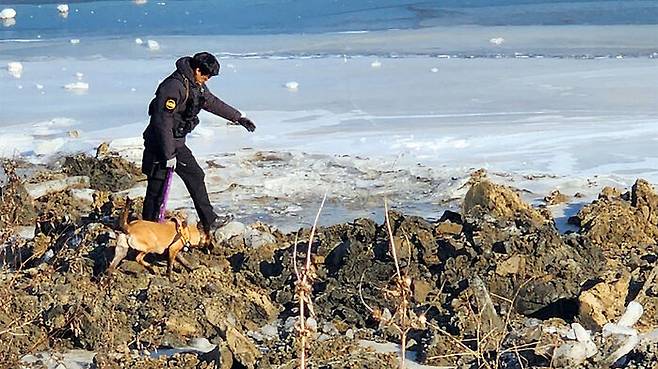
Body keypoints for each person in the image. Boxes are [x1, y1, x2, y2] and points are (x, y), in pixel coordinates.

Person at [140, 51, 256, 233]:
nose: (207, 79)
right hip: (159, 145)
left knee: (196, 176)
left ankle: (209, 220)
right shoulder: (173, 87)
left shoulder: (196, 85)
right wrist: (168, 154)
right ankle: (149, 230)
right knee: (157, 190)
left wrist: (238, 117)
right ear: (197, 69)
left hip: (177, 143)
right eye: (206, 75)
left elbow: (211, 102)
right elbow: (162, 122)